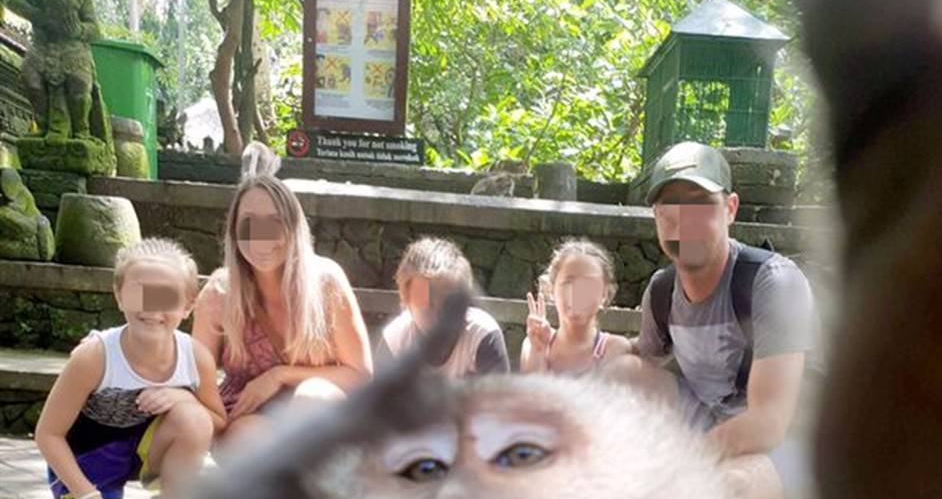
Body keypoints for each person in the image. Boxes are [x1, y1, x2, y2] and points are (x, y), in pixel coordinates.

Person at [635, 141, 818, 499]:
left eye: (700, 204)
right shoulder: (662, 291)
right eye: (670, 209)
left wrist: (681, 465)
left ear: (730, 208)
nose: (685, 221)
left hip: (791, 439)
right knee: (621, 372)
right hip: (716, 423)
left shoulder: (773, 283)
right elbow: (639, 363)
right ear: (657, 218)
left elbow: (770, 422)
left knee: (721, 495)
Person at [34, 237, 226, 499]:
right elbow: (47, 434)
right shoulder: (94, 356)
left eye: (164, 296)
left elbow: (217, 421)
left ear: (187, 305)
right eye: (140, 293)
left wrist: (183, 398)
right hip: (90, 462)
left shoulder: (194, 357)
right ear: (119, 295)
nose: (151, 307)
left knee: (193, 418)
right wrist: (87, 498)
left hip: (146, 452)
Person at [192, 142, 372, 442]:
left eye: (273, 224)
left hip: (321, 416)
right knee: (251, 440)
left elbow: (361, 377)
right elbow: (198, 380)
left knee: (312, 399)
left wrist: (278, 376)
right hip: (250, 420)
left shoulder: (326, 281)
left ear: (293, 228)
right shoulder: (218, 293)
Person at [376, 237, 510, 376]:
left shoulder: (481, 335)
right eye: (427, 301)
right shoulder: (395, 341)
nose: (438, 313)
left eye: (448, 303)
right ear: (406, 299)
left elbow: (500, 395)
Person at [520, 238, 632, 374]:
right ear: (551, 289)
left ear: (604, 294)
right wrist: (538, 353)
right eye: (568, 282)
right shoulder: (532, 344)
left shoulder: (615, 348)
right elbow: (533, 394)